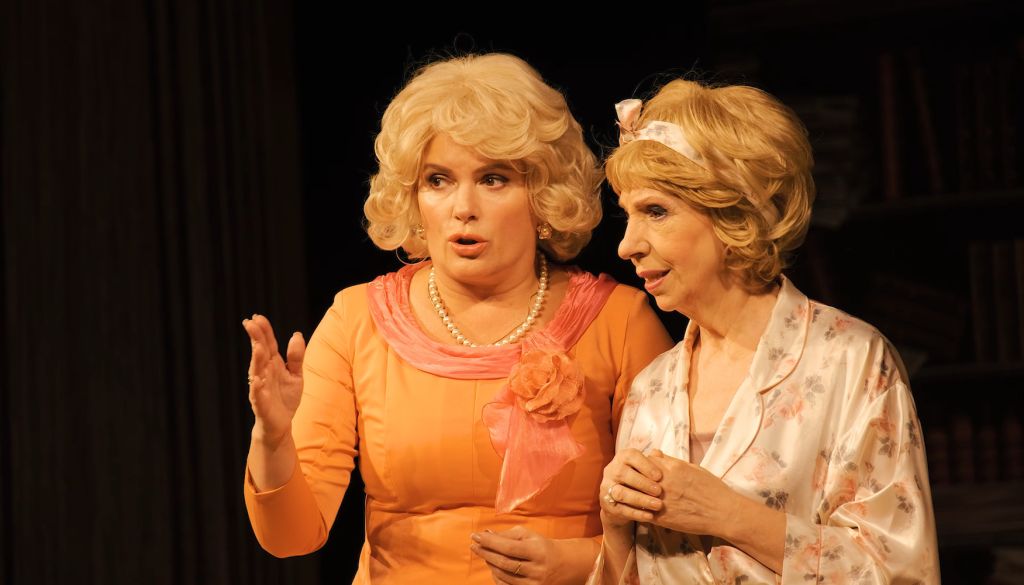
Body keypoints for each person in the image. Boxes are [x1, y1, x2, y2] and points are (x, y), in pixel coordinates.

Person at [241, 53, 673, 585]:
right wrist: (273, 437)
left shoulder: (619, 322)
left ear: (542, 196)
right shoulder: (356, 321)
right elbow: (290, 538)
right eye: (438, 180)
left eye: (493, 179)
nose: (463, 206)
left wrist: (576, 563)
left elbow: (675, 540)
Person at [590, 80, 940, 583]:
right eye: (629, 215)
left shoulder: (849, 360)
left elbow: (899, 570)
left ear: (734, 214)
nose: (627, 246)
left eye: (656, 212)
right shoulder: (652, 388)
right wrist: (616, 528)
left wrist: (727, 514)